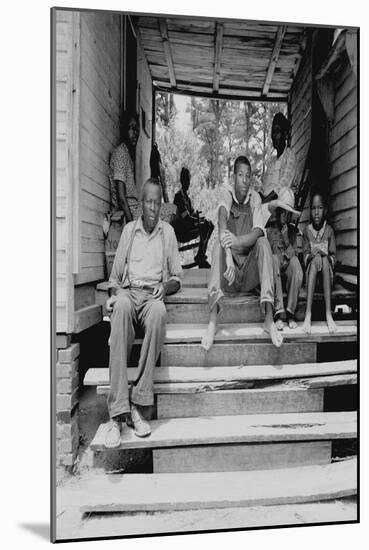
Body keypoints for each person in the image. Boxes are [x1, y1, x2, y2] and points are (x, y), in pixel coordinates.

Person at [105, 178, 182, 447]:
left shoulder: (168, 233)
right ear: (140, 204)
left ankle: (138, 406)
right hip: (129, 292)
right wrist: (114, 297)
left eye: (156, 202)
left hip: (152, 296)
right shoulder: (129, 231)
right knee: (122, 308)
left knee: (160, 313)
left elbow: (177, 278)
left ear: (161, 205)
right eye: (147, 201)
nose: (152, 206)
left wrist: (165, 286)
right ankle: (116, 415)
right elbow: (114, 279)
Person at [201, 156, 300, 351]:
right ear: (234, 177)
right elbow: (221, 218)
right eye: (240, 175)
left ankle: (269, 319)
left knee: (263, 242)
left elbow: (257, 231)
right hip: (231, 276)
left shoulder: (255, 198)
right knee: (215, 247)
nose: (245, 180)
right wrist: (227, 253)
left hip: (249, 274)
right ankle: (213, 320)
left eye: (248, 176)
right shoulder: (226, 193)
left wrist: (236, 240)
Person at [267, 188, 303, 330]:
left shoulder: (293, 231)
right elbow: (267, 257)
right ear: (277, 212)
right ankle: (278, 313)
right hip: (274, 274)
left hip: (287, 273)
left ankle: (290, 313)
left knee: (295, 263)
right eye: (282, 211)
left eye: (288, 213)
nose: (285, 215)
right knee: (274, 259)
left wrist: (287, 239)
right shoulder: (269, 230)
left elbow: (295, 255)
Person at [302, 192, 337, 334]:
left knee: (324, 259)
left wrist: (323, 256)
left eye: (320, 208)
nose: (316, 212)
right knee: (316, 260)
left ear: (325, 210)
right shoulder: (306, 231)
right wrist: (312, 256)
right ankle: (308, 314)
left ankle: (329, 314)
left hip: (326, 279)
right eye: (314, 208)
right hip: (311, 279)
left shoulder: (329, 231)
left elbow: (333, 256)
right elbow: (304, 255)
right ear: (310, 210)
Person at [172, 167, 214, 268]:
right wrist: (198, 221)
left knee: (210, 225)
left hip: (188, 227)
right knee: (205, 226)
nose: (188, 182)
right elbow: (186, 218)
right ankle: (200, 257)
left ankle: (201, 254)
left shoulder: (187, 198)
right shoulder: (179, 197)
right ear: (182, 180)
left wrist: (200, 219)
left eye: (189, 180)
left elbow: (192, 214)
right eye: (186, 180)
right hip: (181, 231)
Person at [109, 111, 141, 222]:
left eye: (137, 129)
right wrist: (131, 225)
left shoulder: (127, 154)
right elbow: (121, 198)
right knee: (172, 211)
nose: (135, 133)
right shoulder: (120, 154)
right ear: (124, 130)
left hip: (135, 208)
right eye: (131, 128)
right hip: (130, 212)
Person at [261, 112, 297, 203]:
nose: (274, 136)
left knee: (284, 193)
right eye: (273, 132)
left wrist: (265, 200)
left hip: (281, 204)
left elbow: (283, 184)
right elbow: (264, 187)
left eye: (277, 131)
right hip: (267, 204)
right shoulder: (272, 162)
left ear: (285, 134)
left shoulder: (290, 156)